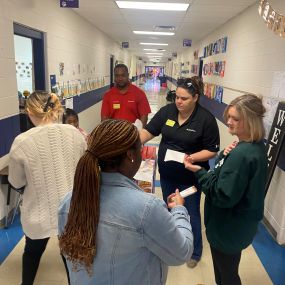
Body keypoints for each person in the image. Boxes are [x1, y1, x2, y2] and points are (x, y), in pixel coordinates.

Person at [58, 119, 194, 285]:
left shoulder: (68, 202)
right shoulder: (147, 209)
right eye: (140, 150)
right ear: (130, 155)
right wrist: (179, 210)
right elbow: (181, 253)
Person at [184, 94, 267, 285]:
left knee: (227, 276)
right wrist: (224, 156)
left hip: (227, 229)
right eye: (228, 116)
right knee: (227, 270)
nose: (228, 122)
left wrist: (201, 172)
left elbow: (221, 195)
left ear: (252, 121)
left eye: (235, 119)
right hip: (241, 226)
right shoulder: (255, 147)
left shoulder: (242, 155)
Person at [140, 76, 220, 268]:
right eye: (177, 97)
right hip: (167, 175)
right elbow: (149, 131)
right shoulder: (167, 111)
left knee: (190, 212)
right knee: (170, 209)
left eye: (184, 98)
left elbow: (212, 149)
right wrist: (132, 142)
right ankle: (173, 244)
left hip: (190, 177)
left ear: (195, 98)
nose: (178, 101)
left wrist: (191, 158)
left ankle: (194, 251)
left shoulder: (205, 119)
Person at [8, 91, 87, 285]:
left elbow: (16, 182)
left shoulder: (22, 142)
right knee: (70, 257)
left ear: (29, 111)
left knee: (32, 253)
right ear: (56, 109)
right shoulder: (73, 133)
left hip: (38, 214)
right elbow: (83, 169)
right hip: (71, 211)